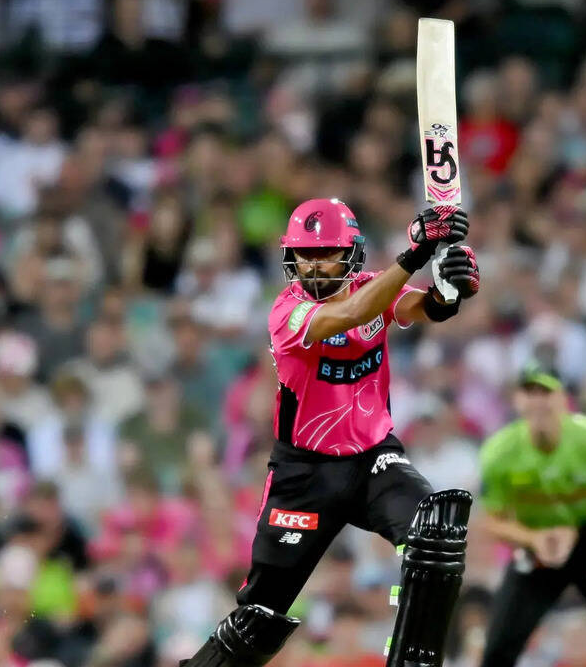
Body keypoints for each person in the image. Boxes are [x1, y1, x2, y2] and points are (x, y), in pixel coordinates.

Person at [181, 197, 479, 666]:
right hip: (305, 473)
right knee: (258, 618)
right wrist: (417, 254)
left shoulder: (373, 287)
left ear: (352, 254)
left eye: (327, 253)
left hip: (373, 458)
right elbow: (351, 314)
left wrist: (448, 288)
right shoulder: (287, 311)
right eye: (305, 255)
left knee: (435, 532)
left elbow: (425, 308)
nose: (315, 265)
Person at [478, 368, 586, 667]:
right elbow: (492, 520)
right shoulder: (500, 452)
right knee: (497, 650)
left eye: (546, 392)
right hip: (539, 548)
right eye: (529, 393)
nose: (538, 402)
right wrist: (534, 538)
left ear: (564, 400)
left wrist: (578, 534)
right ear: (517, 400)